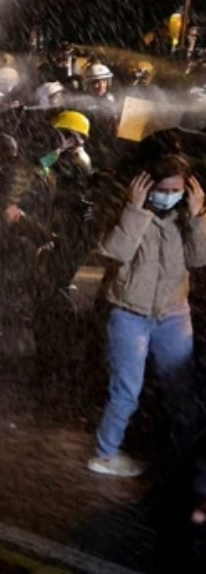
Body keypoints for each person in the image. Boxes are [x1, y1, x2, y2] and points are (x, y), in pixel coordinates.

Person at [89, 156, 206, 477]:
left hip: (174, 314)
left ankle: (188, 459)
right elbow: (115, 252)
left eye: (175, 190)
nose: (168, 196)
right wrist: (134, 210)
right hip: (129, 313)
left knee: (181, 390)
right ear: (147, 185)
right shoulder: (128, 211)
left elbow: (199, 259)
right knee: (126, 390)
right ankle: (105, 454)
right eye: (162, 190)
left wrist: (197, 215)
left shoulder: (187, 217)